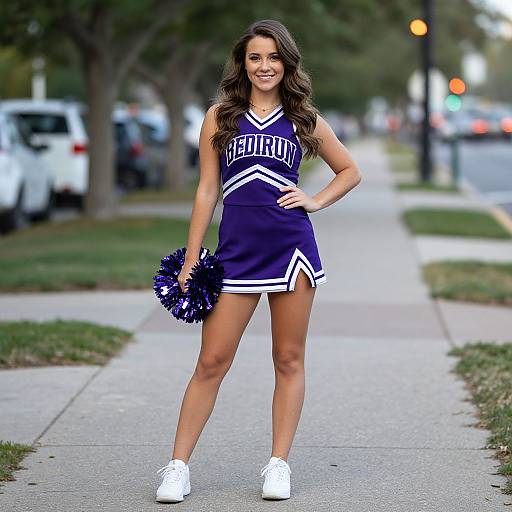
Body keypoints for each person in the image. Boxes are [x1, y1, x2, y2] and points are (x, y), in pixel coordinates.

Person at [155, 19, 362, 503]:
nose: (264, 66)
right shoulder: (220, 115)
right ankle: (177, 467)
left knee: (287, 358)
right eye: (255, 57)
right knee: (211, 360)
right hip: (236, 254)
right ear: (242, 64)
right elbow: (207, 189)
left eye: (273, 57)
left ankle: (278, 465)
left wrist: (315, 200)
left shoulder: (303, 118)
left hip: (291, 253)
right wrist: (191, 256)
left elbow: (350, 170)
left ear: (286, 62)